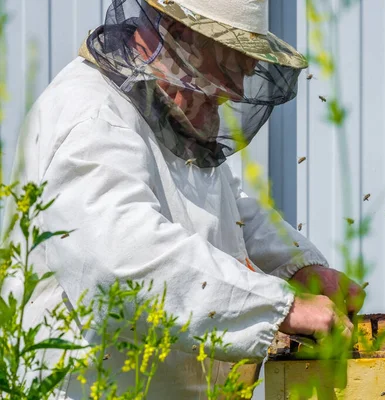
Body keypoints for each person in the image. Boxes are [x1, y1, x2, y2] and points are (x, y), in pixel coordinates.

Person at [3, 0, 365, 398]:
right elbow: (123, 259)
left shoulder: (154, 105)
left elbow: (220, 200)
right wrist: (282, 307)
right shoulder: (92, 117)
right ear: (176, 40)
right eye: (224, 75)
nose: (233, 95)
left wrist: (296, 266)